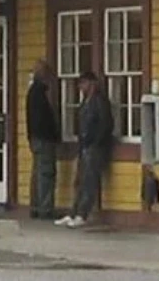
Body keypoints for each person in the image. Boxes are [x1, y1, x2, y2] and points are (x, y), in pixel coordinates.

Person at [56, 70, 114, 229]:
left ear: (92, 83)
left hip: (95, 147)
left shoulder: (100, 101)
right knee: (79, 181)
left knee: (89, 181)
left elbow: (106, 124)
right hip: (84, 146)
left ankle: (82, 214)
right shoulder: (85, 102)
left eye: (83, 83)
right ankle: (73, 212)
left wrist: (96, 142)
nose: (81, 87)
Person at [26, 59, 60, 220]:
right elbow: (44, 120)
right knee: (45, 173)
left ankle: (35, 206)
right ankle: (45, 209)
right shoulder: (40, 94)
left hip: (34, 138)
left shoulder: (32, 92)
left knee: (37, 173)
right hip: (44, 139)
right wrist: (54, 135)